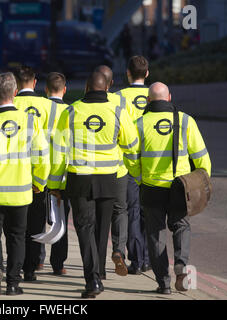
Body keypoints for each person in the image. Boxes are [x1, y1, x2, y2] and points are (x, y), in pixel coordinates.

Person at [48, 71, 139, 298]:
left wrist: (54, 183)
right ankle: (99, 274)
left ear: (87, 88)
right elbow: (132, 143)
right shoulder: (118, 110)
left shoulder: (71, 111)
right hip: (109, 178)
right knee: (102, 228)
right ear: (106, 89)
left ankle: (93, 280)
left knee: (84, 228)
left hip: (80, 177)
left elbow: (58, 151)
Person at [0, 72, 50, 297]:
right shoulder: (31, 122)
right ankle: (13, 283)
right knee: (17, 237)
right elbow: (42, 156)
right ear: (15, 93)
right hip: (21, 192)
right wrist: (39, 183)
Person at [128, 82, 211, 294]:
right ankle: (181, 265)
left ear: (148, 100)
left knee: (155, 235)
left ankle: (163, 283)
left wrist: (139, 179)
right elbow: (202, 157)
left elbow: (130, 159)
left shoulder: (138, 124)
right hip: (180, 188)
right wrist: (203, 182)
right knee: (181, 225)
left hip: (151, 187)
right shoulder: (185, 121)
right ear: (169, 97)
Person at [13, 66, 57, 282]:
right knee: (36, 224)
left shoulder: (10, 105)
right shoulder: (49, 106)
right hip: (41, 173)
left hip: (14, 172)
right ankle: (31, 268)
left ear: (15, 83)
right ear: (35, 82)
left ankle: (16, 265)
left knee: (15, 226)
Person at [111, 56, 152, 275]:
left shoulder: (117, 98)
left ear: (127, 73)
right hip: (153, 163)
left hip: (127, 164)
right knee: (151, 213)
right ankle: (150, 256)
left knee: (132, 211)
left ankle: (137, 260)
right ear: (147, 74)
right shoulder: (155, 95)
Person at [94, 65, 131, 279]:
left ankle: (98, 269)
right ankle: (118, 249)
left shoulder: (86, 105)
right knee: (120, 210)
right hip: (118, 169)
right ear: (111, 84)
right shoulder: (120, 104)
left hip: (92, 171)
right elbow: (130, 140)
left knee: (99, 218)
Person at [44, 72, 70, 276]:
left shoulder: (39, 110)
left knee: (36, 219)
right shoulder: (71, 112)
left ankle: (36, 261)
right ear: (65, 90)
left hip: (39, 173)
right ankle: (58, 264)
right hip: (62, 177)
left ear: (45, 89)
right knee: (60, 221)